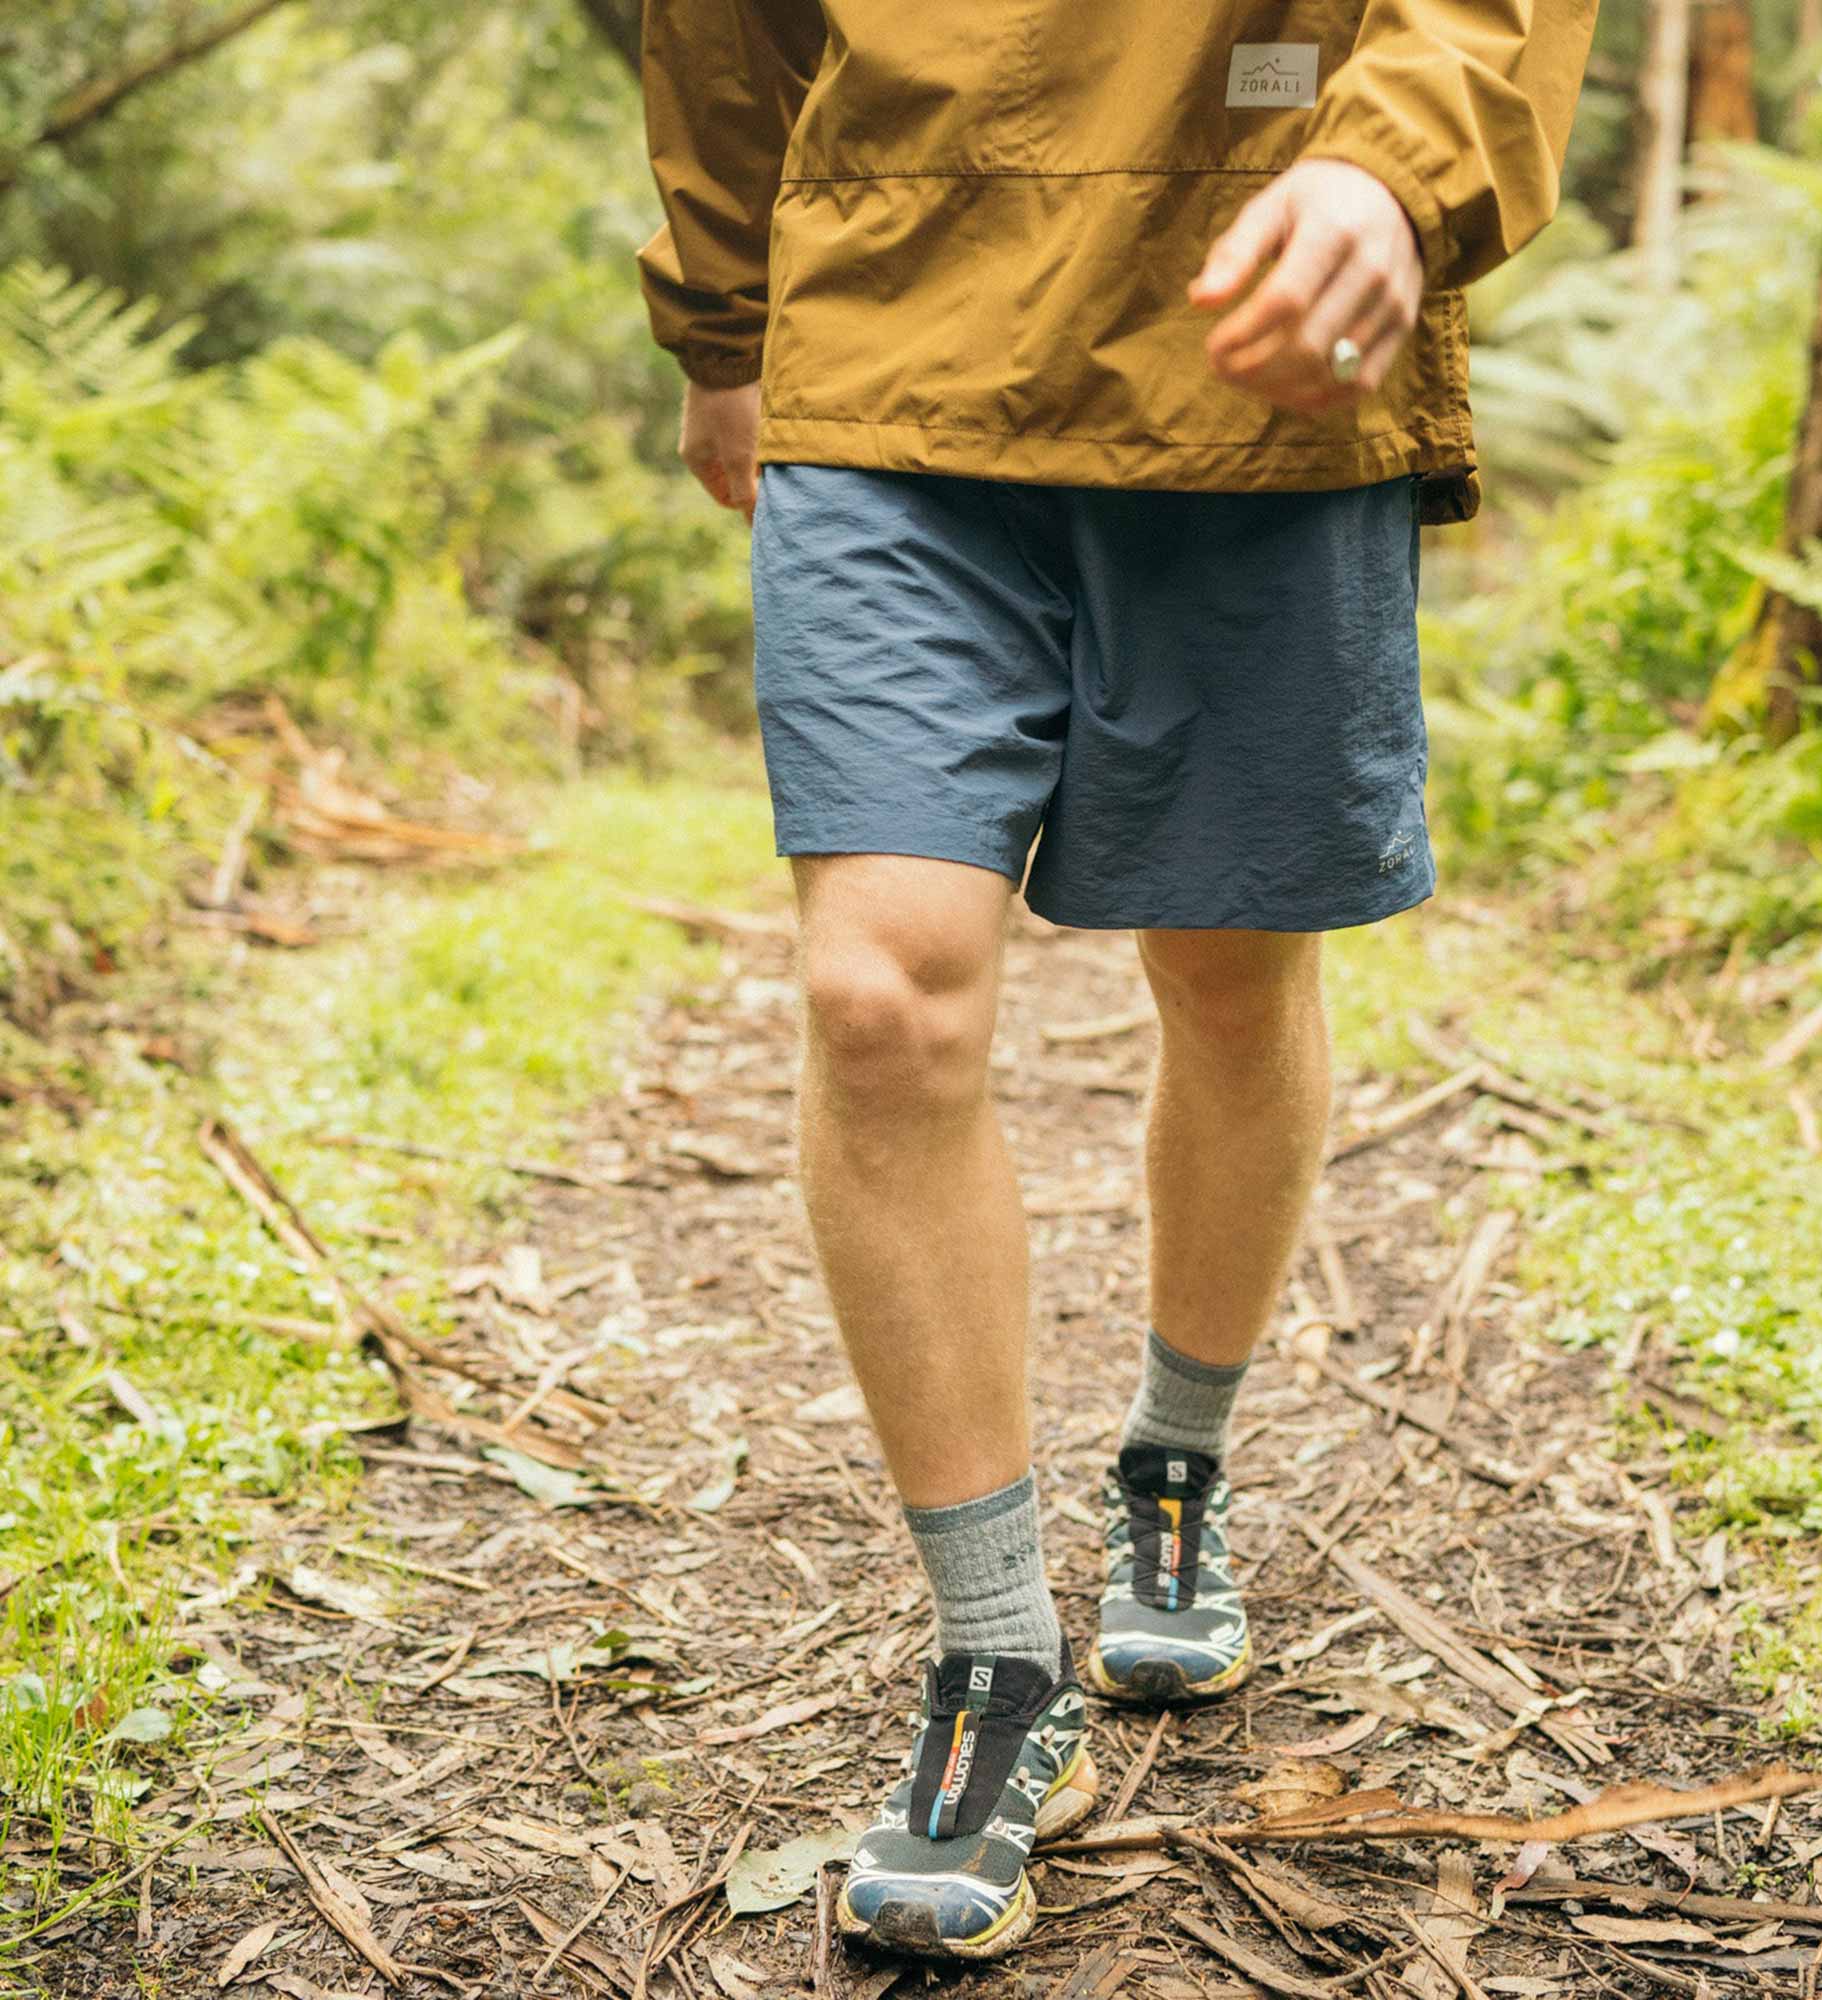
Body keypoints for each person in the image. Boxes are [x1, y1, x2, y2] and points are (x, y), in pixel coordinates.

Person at [638, 0, 1595, 1961]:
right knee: (877, 992)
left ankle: (1176, 1458)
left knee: (1230, 975)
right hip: (888, 333)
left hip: (1251, 336)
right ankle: (998, 1666)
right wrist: (724, 313)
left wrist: (1387, 161)